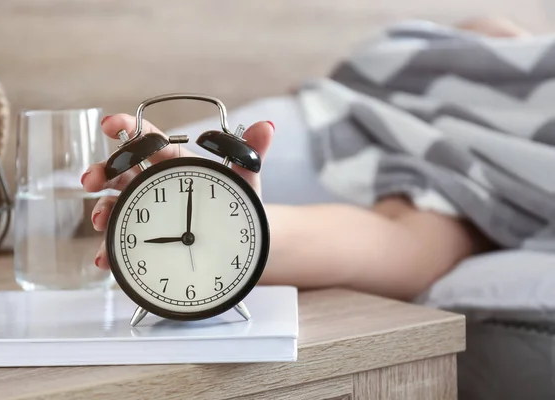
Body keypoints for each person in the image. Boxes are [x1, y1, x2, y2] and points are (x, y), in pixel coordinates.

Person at [81, 16, 526, 301]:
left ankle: (238, 222)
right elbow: (484, 35)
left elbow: (406, 248)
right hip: (354, 100)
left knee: (419, 242)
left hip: (446, 158)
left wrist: (239, 225)